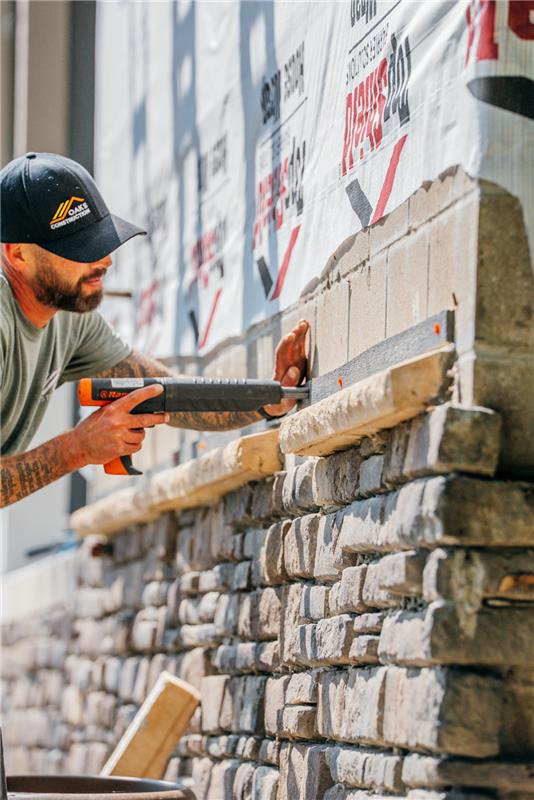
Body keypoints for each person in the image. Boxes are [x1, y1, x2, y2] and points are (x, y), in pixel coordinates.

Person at [0, 152, 309, 508]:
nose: (104, 261)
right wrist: (78, 448)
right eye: (79, 248)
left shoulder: (71, 318)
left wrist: (269, 397)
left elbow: (166, 393)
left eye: (101, 241)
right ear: (17, 254)